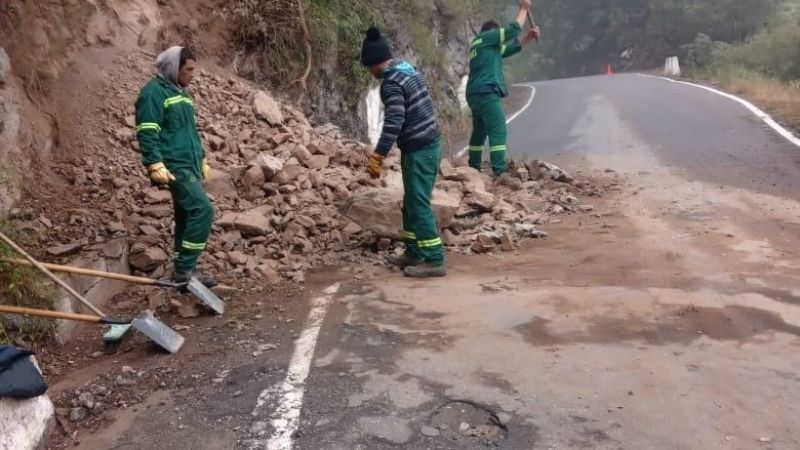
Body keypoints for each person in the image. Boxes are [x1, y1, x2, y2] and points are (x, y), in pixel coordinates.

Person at [361, 27, 446, 278]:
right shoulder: (406, 68)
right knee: (410, 203)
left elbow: (394, 122)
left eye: (369, 67)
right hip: (426, 145)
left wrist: (378, 156)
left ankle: (434, 259)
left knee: (418, 204)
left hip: (421, 149)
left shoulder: (391, 83)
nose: (370, 73)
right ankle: (413, 251)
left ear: (374, 64)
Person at [134, 46, 216, 287]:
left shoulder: (180, 93)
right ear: (174, 68)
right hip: (174, 166)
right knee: (203, 210)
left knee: (186, 214)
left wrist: (201, 157)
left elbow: (190, 132)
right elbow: (147, 129)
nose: (192, 74)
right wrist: (154, 162)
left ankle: (183, 268)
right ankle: (184, 269)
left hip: (188, 164)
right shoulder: (153, 93)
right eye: (188, 69)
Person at [466, 0, 541, 177]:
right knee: (498, 129)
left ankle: (473, 167)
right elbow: (513, 30)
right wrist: (523, 8)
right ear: (492, 32)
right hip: (486, 92)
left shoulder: (481, 46)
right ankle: (499, 171)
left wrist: (528, 38)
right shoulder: (487, 37)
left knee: (479, 132)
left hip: (475, 95)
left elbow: (510, 49)